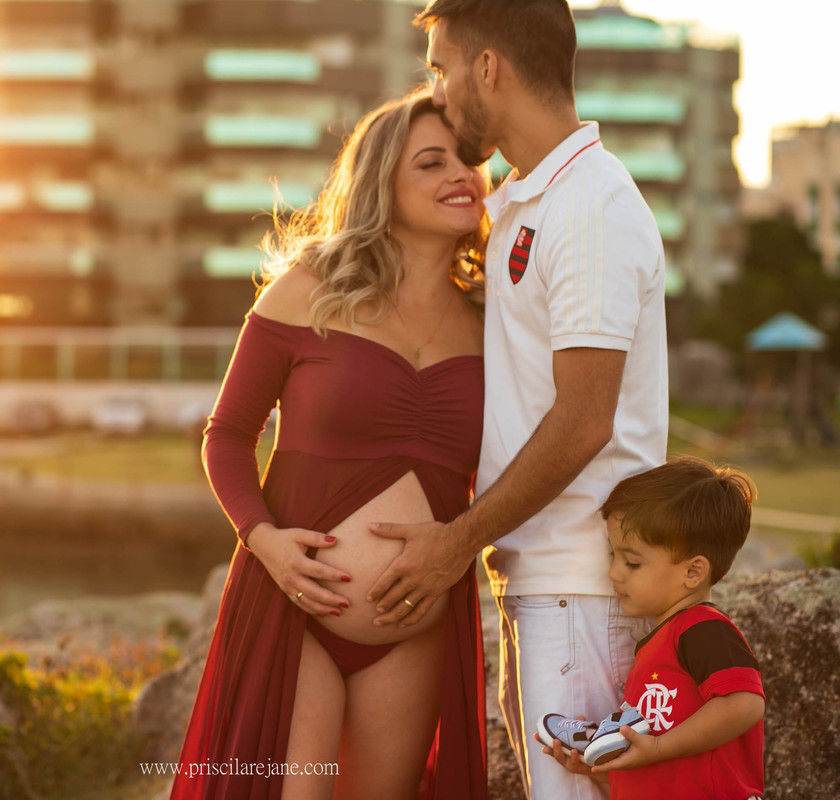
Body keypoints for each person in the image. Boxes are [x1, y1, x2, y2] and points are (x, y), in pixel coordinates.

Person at [363, 1, 668, 798]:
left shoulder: (592, 208)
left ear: (488, 68)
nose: (435, 87)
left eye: (440, 67)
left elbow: (583, 420)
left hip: (583, 586)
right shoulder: (527, 198)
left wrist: (454, 541)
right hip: (540, 581)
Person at [170, 86, 490, 800]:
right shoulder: (304, 290)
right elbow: (227, 436)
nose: (460, 177)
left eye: (468, 161)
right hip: (296, 609)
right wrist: (265, 541)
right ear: (383, 184)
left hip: (414, 626)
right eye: (431, 163)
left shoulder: (492, 316)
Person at [536, 456, 765, 799]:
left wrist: (657, 747)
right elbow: (662, 769)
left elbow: (744, 703)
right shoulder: (654, 647)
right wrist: (600, 766)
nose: (614, 572)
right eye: (613, 555)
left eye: (632, 562)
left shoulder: (703, 629)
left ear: (693, 572)